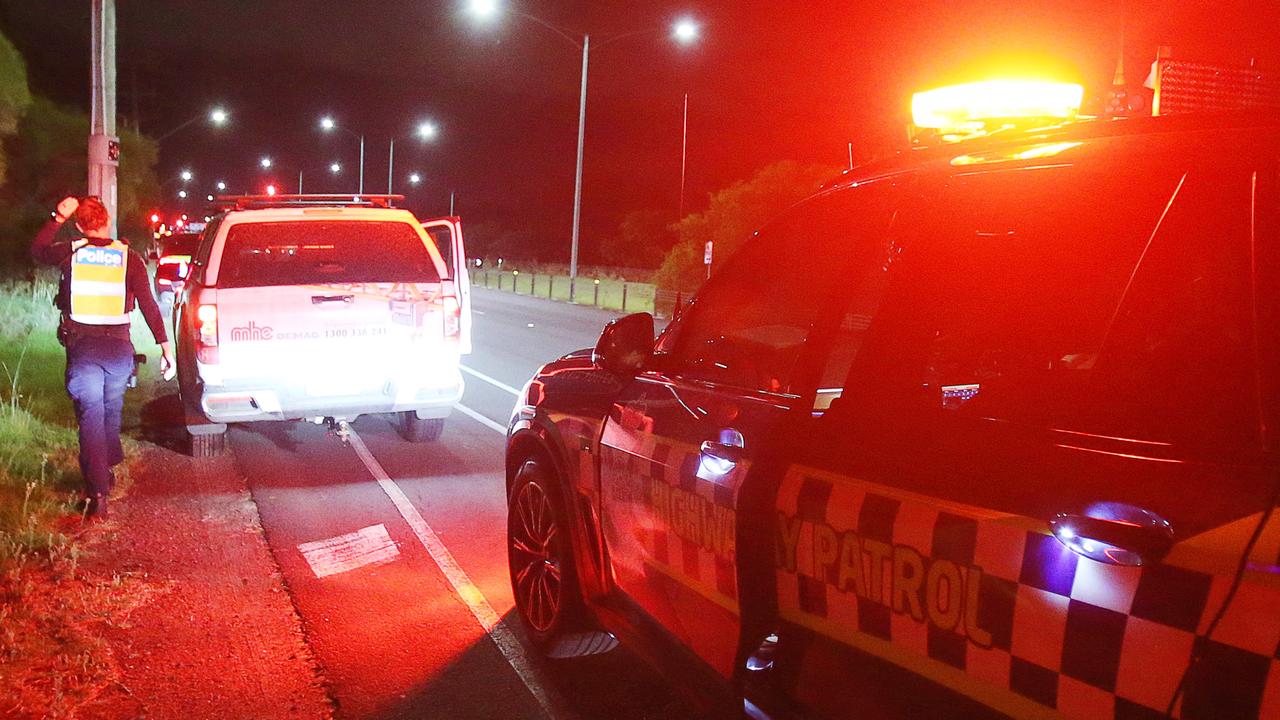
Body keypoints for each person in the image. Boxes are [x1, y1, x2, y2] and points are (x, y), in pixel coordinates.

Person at [31, 195, 173, 519]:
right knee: (110, 412)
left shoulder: (72, 252)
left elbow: (37, 251)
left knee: (90, 417)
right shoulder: (128, 257)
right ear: (107, 220)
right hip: (119, 350)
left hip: (84, 349)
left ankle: (98, 492)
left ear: (80, 225)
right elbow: (150, 306)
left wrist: (57, 216)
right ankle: (107, 464)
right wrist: (165, 346)